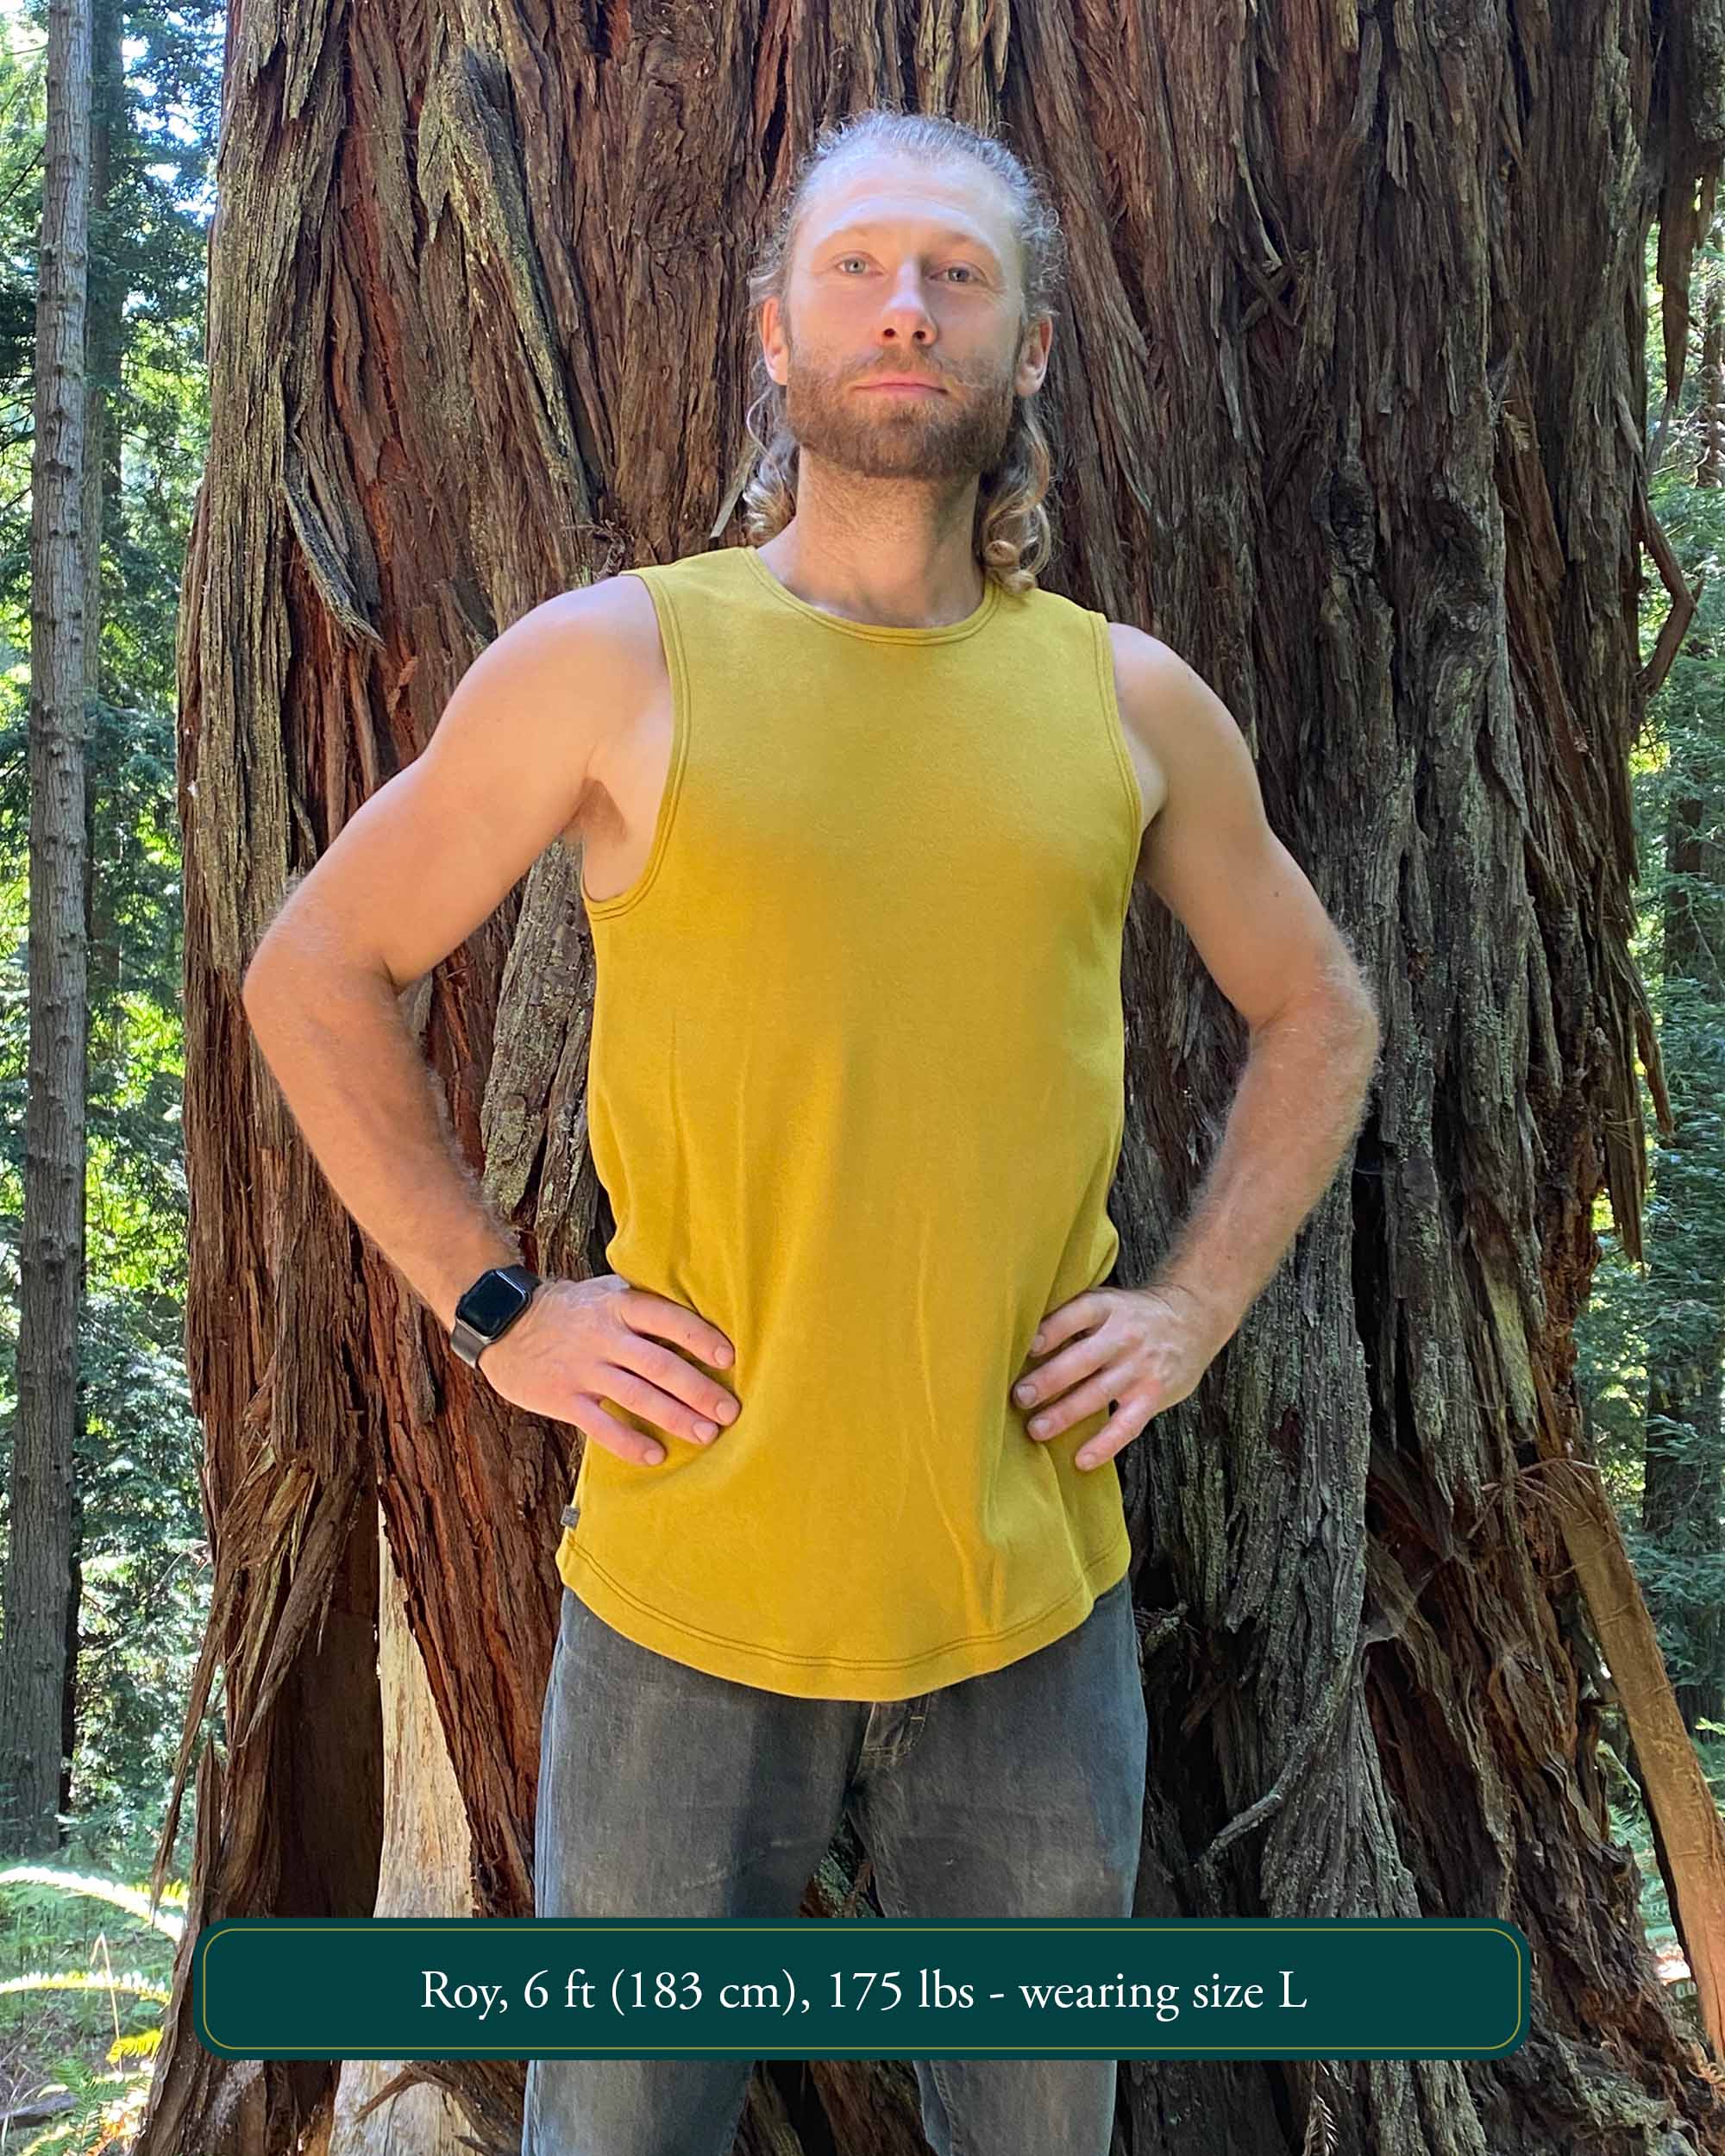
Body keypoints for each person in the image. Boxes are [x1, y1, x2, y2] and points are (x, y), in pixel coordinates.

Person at [242, 105, 1379, 2156]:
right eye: (857, 266)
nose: (904, 307)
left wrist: (1192, 1307)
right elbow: (315, 968)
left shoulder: (1128, 706)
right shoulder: (616, 659)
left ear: (1029, 349)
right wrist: (501, 1303)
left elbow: (1316, 1009)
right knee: (614, 2133)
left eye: (956, 273)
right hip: (688, 1581)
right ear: (774, 333)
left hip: (1025, 1593)